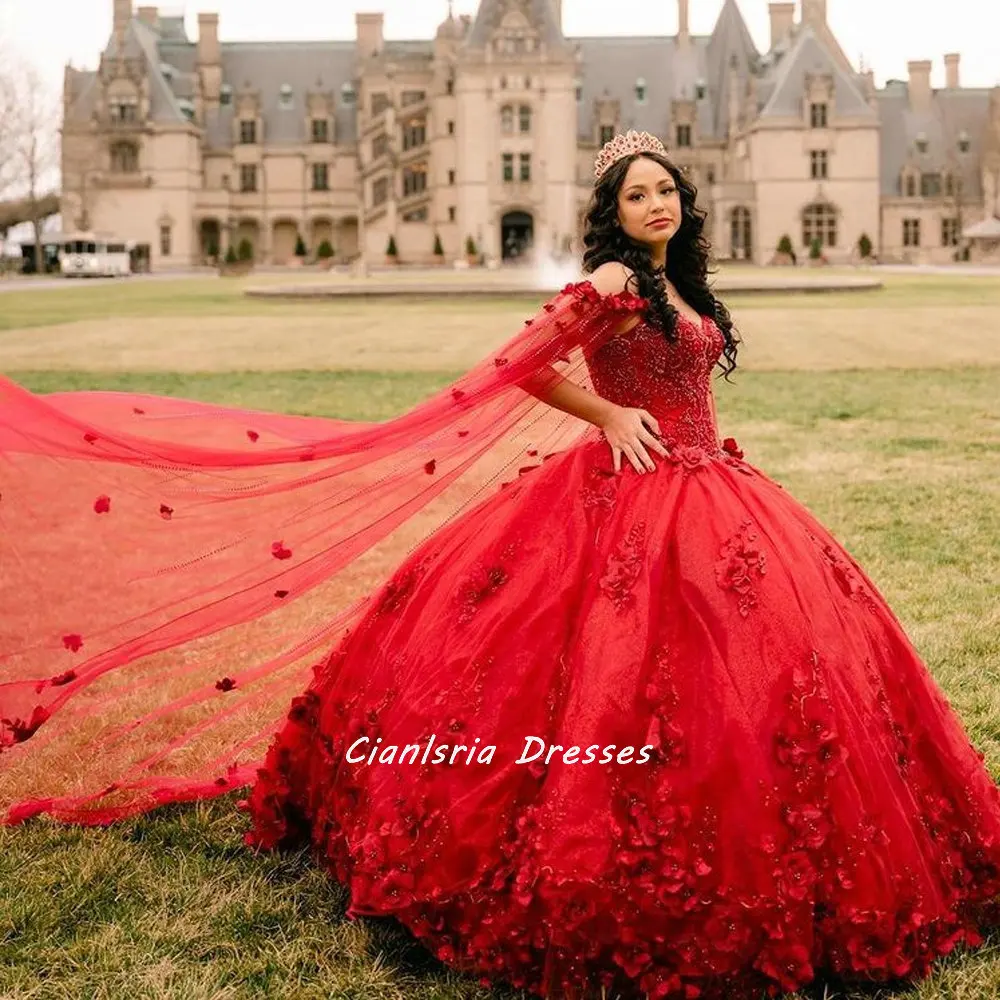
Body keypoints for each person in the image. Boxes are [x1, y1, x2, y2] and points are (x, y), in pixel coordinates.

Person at [2, 131, 1000, 999]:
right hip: (634, 491)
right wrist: (609, 414)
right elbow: (524, 359)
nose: (657, 202)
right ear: (611, 214)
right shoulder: (614, 281)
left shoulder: (677, 281)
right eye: (635, 193)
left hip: (713, 485)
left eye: (665, 189)